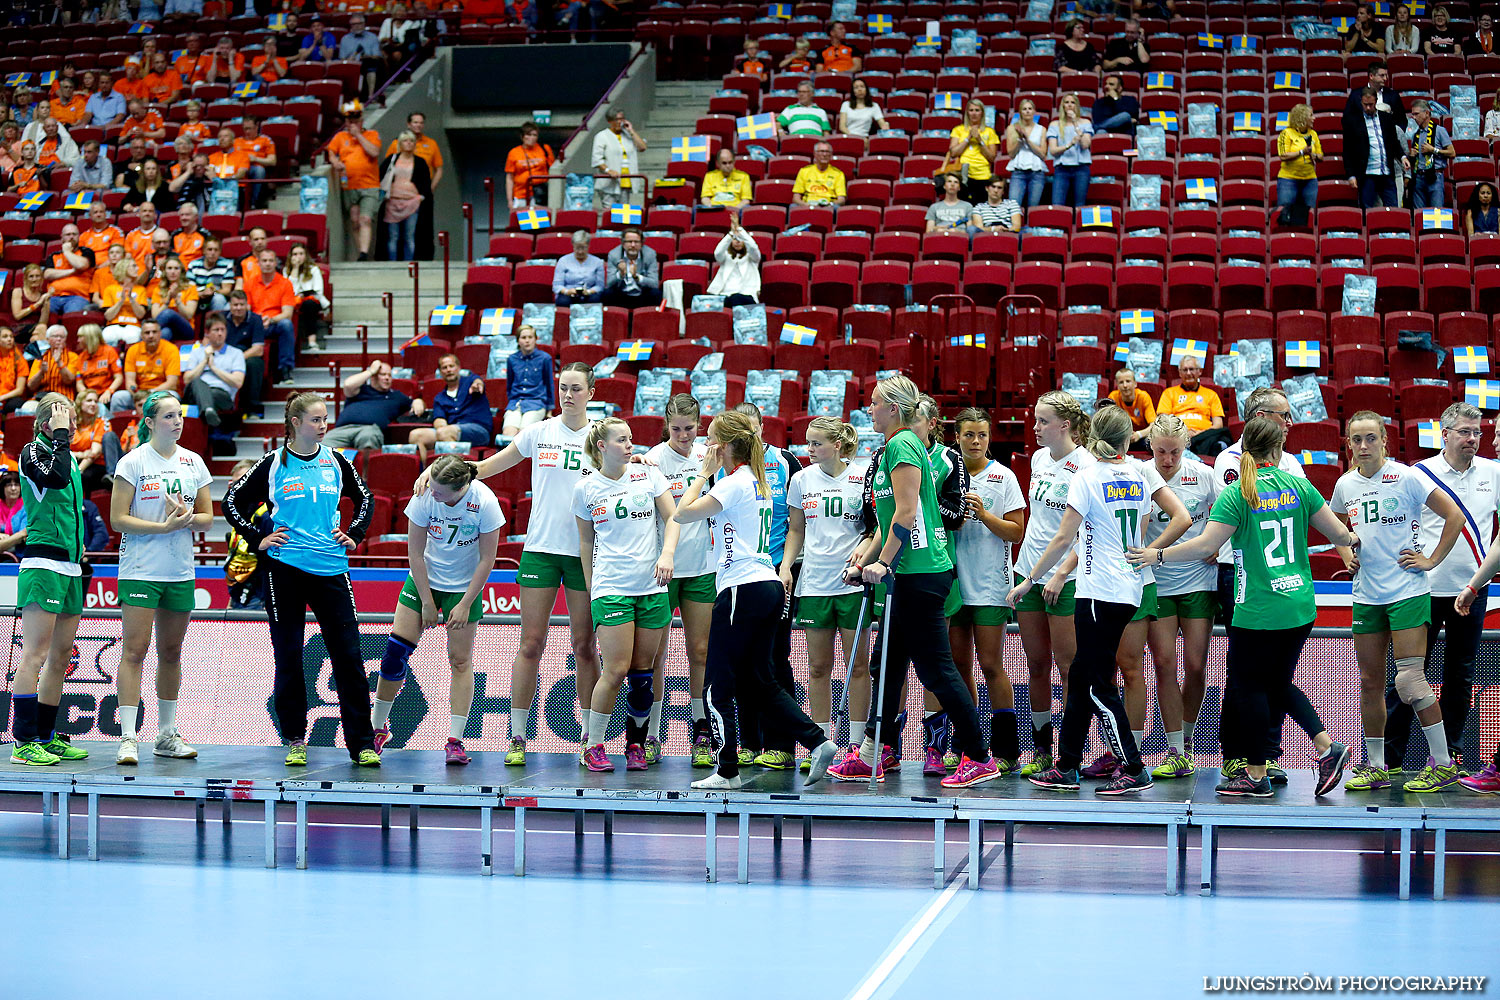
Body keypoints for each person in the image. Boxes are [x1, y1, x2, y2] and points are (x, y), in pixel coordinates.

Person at [1129, 416, 1355, 798]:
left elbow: (1204, 546)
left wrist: (1158, 554)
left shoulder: (1239, 493)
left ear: (1243, 450)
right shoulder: (1300, 485)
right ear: (1279, 450)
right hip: (1299, 603)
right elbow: (1340, 535)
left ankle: (1256, 773)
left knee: (1250, 687)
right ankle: (1322, 748)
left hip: (1258, 606)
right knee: (1276, 683)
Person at [416, 362, 601, 765]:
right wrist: (436, 470)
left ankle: (592, 740)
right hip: (540, 550)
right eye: (563, 388)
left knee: (584, 646)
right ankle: (517, 738)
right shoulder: (539, 432)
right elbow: (484, 468)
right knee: (531, 644)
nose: (568, 395)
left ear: (591, 391)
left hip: (586, 554)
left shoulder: (599, 436)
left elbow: (624, 474)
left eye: (575, 389)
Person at [827, 375, 1002, 787]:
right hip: (906, 573)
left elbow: (907, 514)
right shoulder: (891, 447)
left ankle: (979, 757)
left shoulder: (903, 444)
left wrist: (883, 564)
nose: (868, 410)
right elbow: (888, 520)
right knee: (885, 666)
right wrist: (867, 562)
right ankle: (875, 751)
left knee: (936, 671)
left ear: (893, 409)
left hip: (921, 572)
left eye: (873, 403)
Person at [1008, 405, 1190, 794]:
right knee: (1080, 674)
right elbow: (1182, 518)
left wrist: (1031, 580)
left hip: (1097, 590)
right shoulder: (1142, 471)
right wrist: (1150, 552)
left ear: (1093, 438)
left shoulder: (1088, 477)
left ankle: (1133, 765)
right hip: (1129, 586)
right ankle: (1068, 764)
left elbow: (1062, 538)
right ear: (1128, 440)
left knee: (1095, 684)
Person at [673, 410, 841, 790]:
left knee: (717, 685)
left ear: (726, 446)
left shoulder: (733, 483)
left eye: (711, 439)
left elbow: (682, 513)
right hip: (766, 584)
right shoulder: (757, 481)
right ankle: (818, 740)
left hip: (741, 588)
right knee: (760, 680)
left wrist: (702, 473)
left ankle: (726, 769)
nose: (706, 446)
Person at [223, 393, 379, 767]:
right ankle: (295, 738)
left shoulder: (338, 460)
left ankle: (362, 744)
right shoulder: (274, 462)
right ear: (295, 422)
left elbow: (366, 499)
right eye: (315, 420)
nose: (323, 426)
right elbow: (232, 502)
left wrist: (354, 534)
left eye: (325, 419)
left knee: (348, 657)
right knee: (289, 657)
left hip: (331, 569)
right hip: (284, 571)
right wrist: (256, 539)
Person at [1332, 413, 1466, 793]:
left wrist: (1431, 560)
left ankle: (1443, 763)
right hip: (1366, 594)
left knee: (1409, 679)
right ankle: (1376, 765)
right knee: (1370, 682)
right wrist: (1345, 554)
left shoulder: (1407, 476)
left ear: (1384, 441)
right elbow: (1337, 526)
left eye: (1370, 438)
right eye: (1356, 440)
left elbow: (1454, 515)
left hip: (1407, 590)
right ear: (1348, 445)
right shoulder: (1345, 484)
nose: (1363, 446)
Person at [1383, 405, 1495, 778]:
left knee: (1459, 677)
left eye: (1477, 432)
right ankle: (1390, 758)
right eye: (1465, 432)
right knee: (1406, 677)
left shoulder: (1494, 472)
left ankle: (1451, 757)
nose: (1473, 439)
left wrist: (1477, 581)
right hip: (1422, 591)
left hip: (1472, 592)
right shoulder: (1420, 473)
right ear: (1444, 434)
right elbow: (1396, 522)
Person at [371, 456, 502, 765]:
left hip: (463, 587)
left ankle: (455, 740)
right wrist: (428, 602)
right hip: (424, 579)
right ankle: (377, 727)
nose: (434, 494)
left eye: (440, 492)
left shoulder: (484, 501)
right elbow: (414, 552)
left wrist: (466, 603)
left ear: (460, 489)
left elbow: (487, 559)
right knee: (395, 652)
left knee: (460, 661)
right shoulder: (425, 495)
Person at [108, 390, 211, 765]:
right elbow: (117, 519)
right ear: (149, 422)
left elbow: (206, 518)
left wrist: (184, 519)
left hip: (180, 571)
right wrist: (162, 527)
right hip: (141, 570)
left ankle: (166, 734)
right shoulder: (132, 462)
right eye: (168, 416)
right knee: (135, 651)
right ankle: (128, 737)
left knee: (171, 652)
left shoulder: (193, 462)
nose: (177, 421)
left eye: (179, 415)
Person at [571, 418, 680, 771]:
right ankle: (594, 744)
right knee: (614, 670)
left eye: (631, 439)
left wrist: (667, 554)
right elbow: (586, 541)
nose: (630, 445)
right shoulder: (586, 488)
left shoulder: (648, 475)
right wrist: (592, 587)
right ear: (602, 446)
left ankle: (636, 744)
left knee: (642, 673)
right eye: (622, 440)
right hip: (612, 588)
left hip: (651, 587)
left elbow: (674, 518)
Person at [781, 417, 875, 762]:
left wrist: (865, 548)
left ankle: (857, 745)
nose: (809, 450)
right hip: (815, 584)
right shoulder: (801, 480)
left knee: (858, 665)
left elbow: (875, 526)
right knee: (818, 667)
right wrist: (786, 567)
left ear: (837, 445)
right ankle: (818, 744)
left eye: (817, 443)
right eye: (807, 443)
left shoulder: (863, 476)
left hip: (853, 584)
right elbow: (796, 530)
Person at [7, 395, 91, 766]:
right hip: (43, 564)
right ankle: (23, 743)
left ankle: (45, 735)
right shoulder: (32, 452)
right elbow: (53, 478)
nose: (72, 428)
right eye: (64, 421)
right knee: (35, 656)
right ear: (47, 425)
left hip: (71, 567)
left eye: (71, 422)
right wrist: (59, 437)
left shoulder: (67, 455)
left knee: (59, 658)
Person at [1011, 391, 1089, 777]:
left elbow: (1086, 533)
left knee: (1068, 665)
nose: (1036, 428)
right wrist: (1031, 576)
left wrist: (1059, 573)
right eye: (1035, 420)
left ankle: (1071, 754)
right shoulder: (1040, 459)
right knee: (1036, 664)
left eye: (1043, 421)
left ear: (1066, 426)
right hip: (1029, 573)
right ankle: (1042, 749)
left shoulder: (1087, 464)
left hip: (1068, 577)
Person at [1139, 415, 1218, 779]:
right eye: (1160, 452)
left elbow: (1227, 517)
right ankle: (1177, 749)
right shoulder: (1140, 474)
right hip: (1157, 581)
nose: (1167, 459)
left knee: (1197, 666)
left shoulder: (1204, 475)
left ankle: (1186, 735)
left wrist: (1223, 544)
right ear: (1150, 447)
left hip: (1199, 581)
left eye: (1174, 452)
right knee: (1165, 664)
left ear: (1185, 447)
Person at [949, 408, 1026, 770]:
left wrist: (984, 516)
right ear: (957, 437)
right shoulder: (947, 475)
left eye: (981, 435)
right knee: (959, 666)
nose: (975, 441)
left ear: (989, 438)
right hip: (952, 584)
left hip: (991, 585)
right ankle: (969, 745)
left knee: (991, 664)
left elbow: (1016, 532)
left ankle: (1007, 749)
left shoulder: (1003, 477)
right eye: (969, 435)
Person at [647, 395, 717, 765]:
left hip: (702, 567)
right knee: (656, 654)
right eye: (676, 429)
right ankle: (652, 734)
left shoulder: (710, 456)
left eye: (689, 428)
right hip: (663, 567)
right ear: (667, 424)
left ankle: (701, 731)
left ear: (699, 424)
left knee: (700, 652)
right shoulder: (653, 458)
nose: (683, 435)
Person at [408, 353, 490, 461]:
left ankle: (456, 474)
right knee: (415, 435)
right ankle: (424, 475)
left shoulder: (470, 382)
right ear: (440, 372)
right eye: (444, 368)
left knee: (446, 432)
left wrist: (477, 384)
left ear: (458, 368)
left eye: (451, 366)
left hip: (478, 431)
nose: (448, 370)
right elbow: (439, 419)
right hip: (450, 431)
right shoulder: (440, 398)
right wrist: (441, 426)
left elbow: (478, 381)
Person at [326, 359, 423, 450]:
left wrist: (418, 401)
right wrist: (371, 371)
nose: (387, 378)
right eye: (383, 374)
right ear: (373, 377)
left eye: (389, 375)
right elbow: (347, 385)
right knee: (323, 446)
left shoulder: (396, 396)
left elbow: (414, 403)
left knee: (367, 438)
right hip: (343, 429)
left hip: (369, 429)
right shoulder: (360, 390)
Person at [327, 101, 381, 261]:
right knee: (355, 220)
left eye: (355, 121)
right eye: (349, 121)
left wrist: (358, 135)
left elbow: (374, 151)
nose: (352, 124)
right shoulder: (340, 137)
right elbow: (331, 152)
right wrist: (335, 162)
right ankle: (362, 253)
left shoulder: (372, 135)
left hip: (370, 185)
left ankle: (364, 253)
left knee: (366, 219)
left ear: (361, 121)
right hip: (349, 185)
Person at [181, 312, 244, 440]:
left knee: (210, 393)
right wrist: (205, 361)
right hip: (194, 393)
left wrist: (214, 368)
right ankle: (208, 410)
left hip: (222, 396)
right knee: (197, 381)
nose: (220, 333)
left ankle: (207, 409)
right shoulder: (197, 352)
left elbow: (238, 382)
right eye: (216, 330)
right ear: (207, 333)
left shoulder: (236, 353)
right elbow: (187, 379)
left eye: (223, 330)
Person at [1344, 86, 1408, 210]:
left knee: (1393, 209)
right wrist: (1351, 175)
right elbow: (1348, 151)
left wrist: (1402, 157)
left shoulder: (1387, 118)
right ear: (1361, 102)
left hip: (1387, 172)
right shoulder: (1353, 122)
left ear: (1376, 101)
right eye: (1365, 104)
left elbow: (1394, 143)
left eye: (1371, 104)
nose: (1368, 108)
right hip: (1367, 174)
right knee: (1368, 211)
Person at [244, 249, 296, 384]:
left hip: (274, 323)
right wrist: (258, 322)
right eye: (264, 261)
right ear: (258, 263)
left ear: (276, 263)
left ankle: (285, 369)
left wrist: (270, 319)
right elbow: (246, 311)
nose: (267, 264)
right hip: (255, 324)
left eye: (270, 261)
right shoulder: (250, 283)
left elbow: (287, 314)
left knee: (286, 324)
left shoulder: (285, 283)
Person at [380, 130, 431, 262]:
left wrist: (421, 197)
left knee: (409, 236)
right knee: (393, 237)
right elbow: (381, 176)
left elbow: (426, 181)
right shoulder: (391, 160)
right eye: (405, 141)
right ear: (400, 144)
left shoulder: (420, 162)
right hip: (393, 201)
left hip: (412, 202)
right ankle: (392, 264)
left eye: (411, 141)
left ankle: (409, 263)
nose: (408, 143)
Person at [1274, 104, 1323, 228]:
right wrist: (1302, 152)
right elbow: (1283, 155)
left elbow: (1321, 155)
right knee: (1285, 214)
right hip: (1288, 180)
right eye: (1311, 115)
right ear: (1302, 117)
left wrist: (1315, 156)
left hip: (1309, 180)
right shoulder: (1286, 133)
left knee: (1308, 215)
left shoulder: (1314, 134)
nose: (1314, 118)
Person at [591, 108, 647, 215]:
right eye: (616, 119)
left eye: (622, 119)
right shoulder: (602, 136)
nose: (619, 122)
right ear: (610, 121)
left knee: (623, 214)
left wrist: (631, 131)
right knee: (610, 213)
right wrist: (608, 170)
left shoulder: (628, 135)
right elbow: (596, 160)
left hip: (626, 178)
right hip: (609, 182)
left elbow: (642, 147)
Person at [1156, 355, 1225, 441]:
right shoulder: (1169, 393)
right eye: (1185, 370)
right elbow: (1163, 421)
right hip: (1177, 437)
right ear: (1180, 373)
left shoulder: (1211, 394)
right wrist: (1183, 433)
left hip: (1205, 437)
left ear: (1199, 371)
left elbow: (1218, 425)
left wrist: (1201, 433)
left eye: (1191, 369)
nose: (1188, 373)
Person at [501, 325, 552, 436]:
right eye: (523, 338)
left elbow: (549, 384)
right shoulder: (512, 359)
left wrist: (550, 409)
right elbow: (509, 385)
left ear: (535, 339)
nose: (527, 341)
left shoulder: (545, 358)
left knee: (524, 434)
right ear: (518, 341)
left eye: (530, 337)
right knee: (508, 433)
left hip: (536, 403)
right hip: (515, 403)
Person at [946, 97, 999, 204]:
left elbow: (992, 157)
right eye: (971, 110)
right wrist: (968, 138)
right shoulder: (958, 130)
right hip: (964, 176)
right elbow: (953, 153)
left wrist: (979, 140)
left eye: (977, 110)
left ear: (982, 113)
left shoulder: (990, 132)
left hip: (983, 176)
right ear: (967, 113)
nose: (974, 113)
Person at [1406, 99, 1455, 211]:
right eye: (1412, 114)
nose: (1413, 117)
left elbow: (1452, 153)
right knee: (1419, 213)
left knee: (1436, 212)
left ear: (1427, 113)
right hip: (1419, 177)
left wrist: (1434, 150)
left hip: (1435, 177)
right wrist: (1412, 155)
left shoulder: (1440, 131)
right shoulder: (1415, 134)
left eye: (1416, 114)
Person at [1047, 93, 1092, 208]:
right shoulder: (1055, 124)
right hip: (1062, 169)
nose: (1070, 105)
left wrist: (1075, 123)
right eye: (1066, 102)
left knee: (1080, 205)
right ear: (1062, 106)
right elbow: (1053, 150)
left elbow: (1085, 145)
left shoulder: (1085, 123)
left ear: (1077, 106)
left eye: (1073, 103)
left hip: (1081, 168)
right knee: (1057, 204)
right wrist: (1069, 144)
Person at [75, 324, 130, 415]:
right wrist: (88, 396)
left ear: (90, 337)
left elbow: (118, 377)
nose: (78, 340)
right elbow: (79, 382)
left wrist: (109, 391)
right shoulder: (81, 357)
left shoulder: (109, 352)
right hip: (91, 396)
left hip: (107, 395)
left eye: (81, 337)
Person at [1005, 99, 1050, 208]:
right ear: (1020, 112)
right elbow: (1011, 154)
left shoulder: (1041, 129)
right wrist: (1020, 140)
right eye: (1024, 109)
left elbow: (1043, 154)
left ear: (1034, 111)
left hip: (1037, 173)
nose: (1027, 111)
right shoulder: (1012, 128)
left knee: (1033, 207)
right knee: (1014, 206)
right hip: (1018, 172)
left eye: (1030, 109)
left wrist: (1027, 140)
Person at [707, 220, 761, 307]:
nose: (737, 242)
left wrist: (739, 230)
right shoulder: (725, 257)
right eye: (735, 239)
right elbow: (717, 252)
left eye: (740, 239)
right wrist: (731, 234)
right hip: (724, 295)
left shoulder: (752, 258)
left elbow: (753, 247)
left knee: (736, 298)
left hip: (746, 296)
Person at [284, 245, 327, 353]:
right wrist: (295, 269)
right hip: (294, 301)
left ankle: (312, 341)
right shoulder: (286, 270)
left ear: (306, 255)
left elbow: (318, 291)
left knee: (309, 305)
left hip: (312, 300)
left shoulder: (314, 269)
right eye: (295, 254)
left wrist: (303, 294)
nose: (298, 257)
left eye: (301, 254)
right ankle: (290, 344)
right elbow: (289, 290)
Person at [123, 319, 180, 400]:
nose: (151, 336)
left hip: (161, 393)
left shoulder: (171, 349)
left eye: (154, 332)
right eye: (147, 333)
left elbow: (172, 383)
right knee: (119, 397)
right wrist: (134, 391)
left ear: (160, 334)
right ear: (141, 335)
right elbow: (130, 381)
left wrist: (151, 393)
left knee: (173, 395)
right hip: (140, 394)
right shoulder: (132, 350)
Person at [604, 228, 660, 308]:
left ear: (641, 244)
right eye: (629, 242)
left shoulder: (650, 254)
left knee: (656, 293)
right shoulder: (614, 255)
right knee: (607, 293)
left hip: (642, 295)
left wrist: (637, 277)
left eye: (636, 242)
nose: (633, 245)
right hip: (621, 295)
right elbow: (609, 284)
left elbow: (654, 284)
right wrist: (620, 274)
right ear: (623, 243)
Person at [504, 121, 553, 210]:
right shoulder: (514, 153)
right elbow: (509, 178)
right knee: (523, 222)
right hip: (521, 195)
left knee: (539, 222)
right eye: (528, 135)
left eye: (534, 135)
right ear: (522, 136)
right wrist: (510, 200)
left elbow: (553, 170)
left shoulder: (545, 149)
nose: (532, 138)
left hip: (540, 194)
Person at [100, 260, 149, 347]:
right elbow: (108, 316)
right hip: (113, 326)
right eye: (134, 266)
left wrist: (131, 300)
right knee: (107, 336)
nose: (137, 268)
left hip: (133, 326)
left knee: (133, 337)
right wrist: (121, 301)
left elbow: (141, 315)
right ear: (124, 268)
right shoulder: (110, 289)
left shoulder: (141, 289)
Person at [150, 258, 198, 343]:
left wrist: (176, 299)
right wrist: (168, 300)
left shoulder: (191, 288)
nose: (173, 271)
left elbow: (189, 315)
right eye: (169, 268)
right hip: (165, 327)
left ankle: (142, 341)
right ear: (165, 271)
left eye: (176, 268)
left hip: (186, 329)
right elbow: (155, 316)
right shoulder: (158, 289)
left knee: (169, 313)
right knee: (165, 332)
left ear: (181, 271)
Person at [27, 324, 79, 402]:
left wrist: (59, 363)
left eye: (62, 337)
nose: (59, 339)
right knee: (27, 408)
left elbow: (69, 380)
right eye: (55, 336)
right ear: (47, 339)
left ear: (66, 339)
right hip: (42, 398)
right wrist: (41, 372)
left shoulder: (73, 356)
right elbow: (31, 386)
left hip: (64, 397)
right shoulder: (40, 358)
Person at [234, 117, 277, 210]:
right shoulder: (236, 141)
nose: (247, 131)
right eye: (245, 128)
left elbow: (272, 161)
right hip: (239, 168)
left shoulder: (266, 140)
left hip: (254, 167)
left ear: (257, 127)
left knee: (259, 170)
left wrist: (255, 159)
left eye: (250, 128)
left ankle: (254, 202)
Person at [70, 390, 108, 493]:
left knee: (84, 477)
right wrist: (81, 454)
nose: (93, 404)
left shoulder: (100, 423)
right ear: (79, 403)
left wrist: (78, 471)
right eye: (89, 401)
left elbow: (94, 453)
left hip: (96, 464)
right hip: (74, 461)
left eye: (95, 401)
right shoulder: (71, 424)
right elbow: (63, 450)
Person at [552, 230, 605, 306]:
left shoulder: (597, 262)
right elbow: (557, 285)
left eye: (583, 248)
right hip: (568, 293)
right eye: (577, 248)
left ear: (588, 245)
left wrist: (589, 291)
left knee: (595, 299)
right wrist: (567, 291)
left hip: (589, 293)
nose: (580, 251)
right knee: (563, 301)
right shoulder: (563, 261)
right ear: (573, 245)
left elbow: (600, 286)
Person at [188, 236, 236, 314]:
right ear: (204, 251)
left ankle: (217, 324)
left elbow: (227, 290)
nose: (213, 253)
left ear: (220, 251)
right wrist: (202, 294)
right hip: (197, 296)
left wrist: (213, 291)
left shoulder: (227, 264)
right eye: (210, 249)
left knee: (219, 299)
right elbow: (189, 289)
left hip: (217, 296)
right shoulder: (193, 265)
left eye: (216, 250)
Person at [700, 148, 752, 219]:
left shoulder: (743, 176)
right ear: (717, 163)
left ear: (734, 162)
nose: (728, 166)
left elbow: (746, 201)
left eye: (730, 162)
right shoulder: (710, 176)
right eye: (724, 163)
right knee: (696, 210)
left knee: (748, 209)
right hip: (715, 208)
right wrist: (711, 208)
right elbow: (705, 198)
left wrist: (734, 210)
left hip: (736, 209)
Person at [792, 139, 846, 207]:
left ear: (831, 155)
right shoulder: (804, 171)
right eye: (821, 151)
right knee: (793, 207)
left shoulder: (838, 174)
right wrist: (805, 204)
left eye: (827, 152)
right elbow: (796, 197)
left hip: (828, 204)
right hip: (808, 203)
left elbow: (841, 199)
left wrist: (830, 204)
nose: (824, 154)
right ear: (815, 154)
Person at [1108, 368, 1155, 444]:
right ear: (1117, 385)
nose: (1125, 385)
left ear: (1135, 383)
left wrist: (1138, 435)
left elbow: (1153, 425)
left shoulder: (1143, 397)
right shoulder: (1113, 397)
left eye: (1128, 381)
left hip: (1141, 437)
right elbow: (1109, 425)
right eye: (1121, 382)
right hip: (1121, 438)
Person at [11, 265, 49, 338]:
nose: (34, 279)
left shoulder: (43, 295)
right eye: (31, 276)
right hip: (19, 328)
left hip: (36, 329)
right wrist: (37, 304)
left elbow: (43, 322)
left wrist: (46, 305)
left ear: (41, 278)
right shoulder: (18, 291)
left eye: (37, 276)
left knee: (38, 334)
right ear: (25, 278)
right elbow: (17, 315)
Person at [0, 328, 28, 413]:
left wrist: (1, 397)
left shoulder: (19, 360)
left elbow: (19, 390)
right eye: (5, 337)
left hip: (11, 397)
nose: (9, 339)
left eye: (11, 337)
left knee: (16, 403)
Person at [0, 469, 26, 557]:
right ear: (2, 488)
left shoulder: (26, 508)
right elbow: (20, 534)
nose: (13, 488)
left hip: (19, 556)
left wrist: (3, 542)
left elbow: (23, 536)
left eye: (16, 485)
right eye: (9, 485)